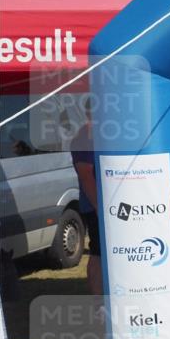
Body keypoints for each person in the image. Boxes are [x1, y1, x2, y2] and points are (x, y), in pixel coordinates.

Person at [70, 107, 102, 295]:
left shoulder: (99, 135)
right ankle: (98, 300)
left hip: (105, 205)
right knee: (98, 252)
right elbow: (86, 176)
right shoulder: (84, 137)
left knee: (102, 252)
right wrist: (98, 206)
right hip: (94, 205)